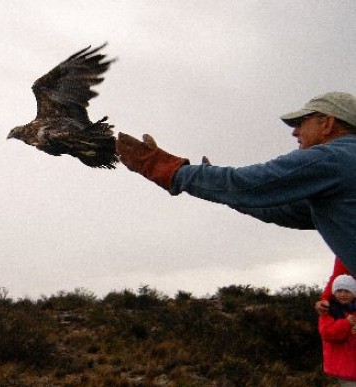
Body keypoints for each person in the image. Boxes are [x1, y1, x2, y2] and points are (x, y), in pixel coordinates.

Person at [116, 91, 356, 279]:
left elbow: (248, 184)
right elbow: (284, 210)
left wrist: (164, 168)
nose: (295, 132)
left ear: (327, 124)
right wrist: (231, 195)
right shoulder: (342, 170)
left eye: (302, 122)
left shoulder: (332, 159)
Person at [319, 274, 356, 385]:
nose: (343, 294)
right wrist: (346, 323)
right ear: (334, 293)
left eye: (347, 291)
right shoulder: (327, 312)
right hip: (344, 369)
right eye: (339, 290)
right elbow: (327, 334)